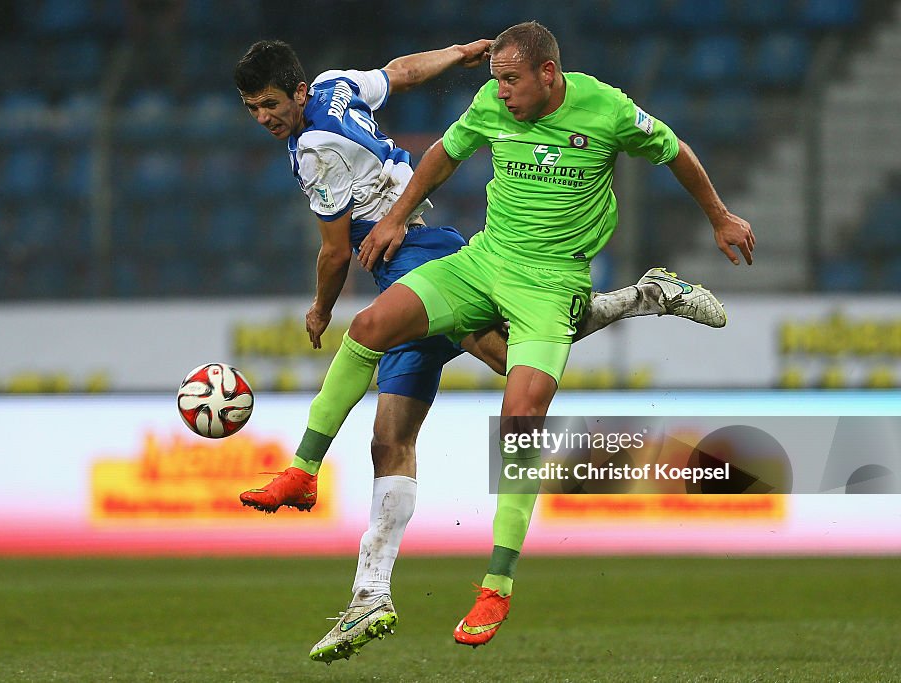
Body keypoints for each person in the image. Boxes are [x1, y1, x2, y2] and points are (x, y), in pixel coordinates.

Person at [232, 36, 733, 662]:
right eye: (252, 108)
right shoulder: (370, 88)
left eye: (268, 104)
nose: (500, 92)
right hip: (474, 261)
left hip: (499, 269)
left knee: (517, 409)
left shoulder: (315, 151)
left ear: (548, 74)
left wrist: (718, 215)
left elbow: (335, 251)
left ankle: (492, 583)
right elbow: (420, 109)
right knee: (383, 391)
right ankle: (332, 522)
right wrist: (459, 59)